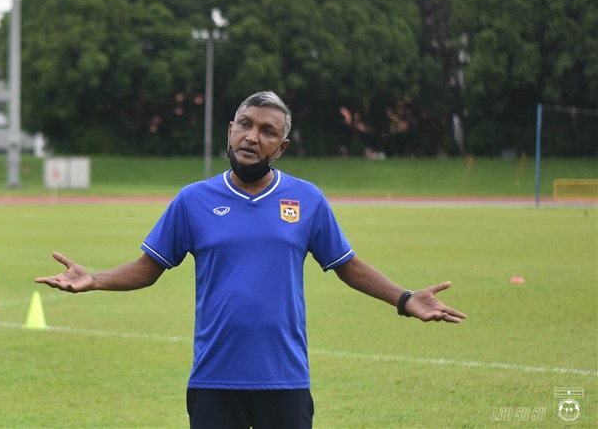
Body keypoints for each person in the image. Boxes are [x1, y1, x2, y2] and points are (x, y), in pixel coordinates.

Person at [35, 91, 466, 429]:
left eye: (267, 130)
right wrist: (95, 279)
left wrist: (405, 298)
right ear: (229, 130)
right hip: (214, 378)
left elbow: (347, 265)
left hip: (285, 378)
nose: (252, 136)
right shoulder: (193, 200)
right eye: (245, 124)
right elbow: (148, 268)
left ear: (281, 146)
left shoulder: (306, 199)